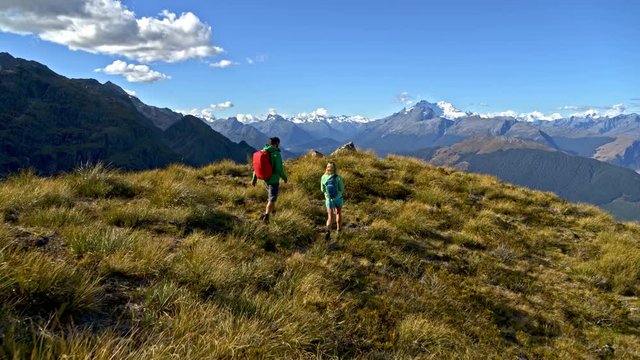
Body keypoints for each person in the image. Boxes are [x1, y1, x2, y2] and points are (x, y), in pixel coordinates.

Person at [252, 137, 288, 224]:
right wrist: (284, 177)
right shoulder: (276, 154)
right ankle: (266, 216)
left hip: (265, 179)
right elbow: (279, 169)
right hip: (273, 180)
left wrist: (254, 179)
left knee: (271, 198)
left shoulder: (263, 151)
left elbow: (257, 167)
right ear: (276, 143)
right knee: (271, 199)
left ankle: (271, 213)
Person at [320, 161, 345, 240]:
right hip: (338, 199)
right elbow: (341, 189)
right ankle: (339, 230)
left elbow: (322, 190)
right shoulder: (338, 178)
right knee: (338, 213)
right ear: (335, 168)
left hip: (329, 200)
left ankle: (327, 230)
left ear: (327, 168)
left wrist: (327, 195)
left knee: (330, 216)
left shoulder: (323, 177)